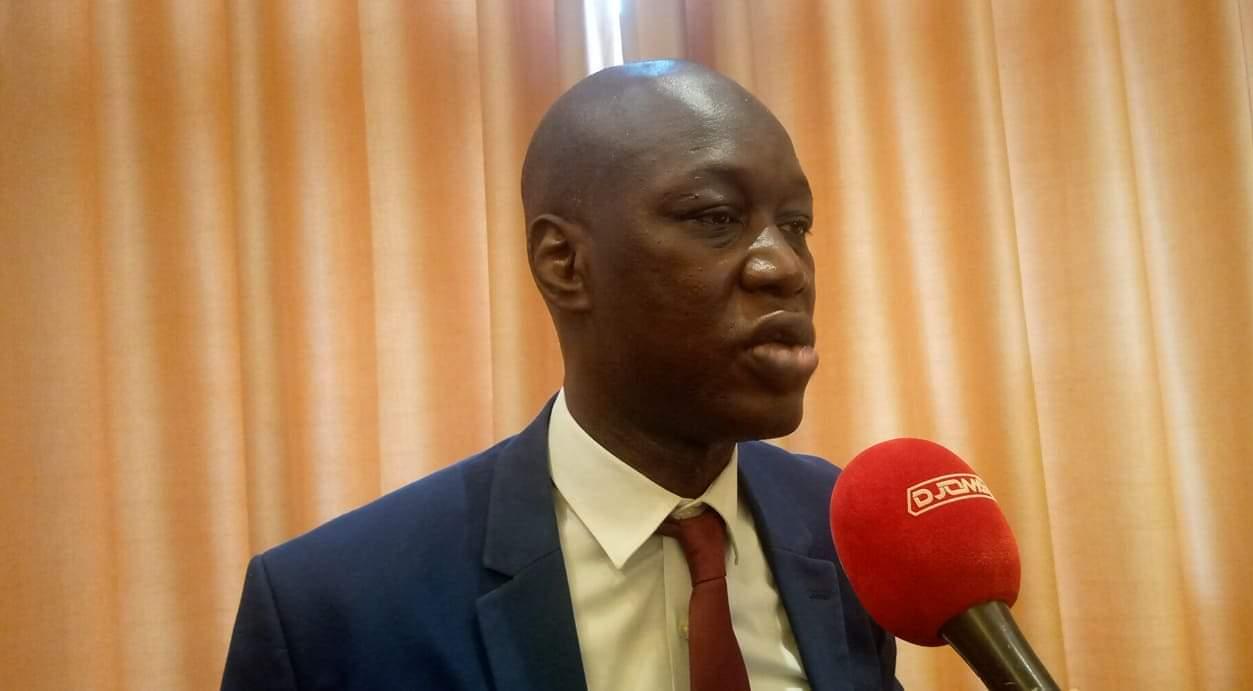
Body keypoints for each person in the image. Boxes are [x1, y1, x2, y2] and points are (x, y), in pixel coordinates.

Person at [221, 59, 900, 691]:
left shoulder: (844, 530)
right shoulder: (333, 610)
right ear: (564, 263)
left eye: (796, 225)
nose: (785, 268)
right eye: (716, 218)